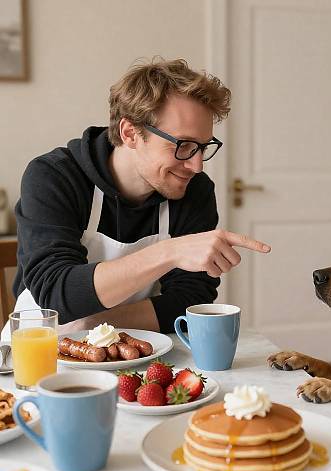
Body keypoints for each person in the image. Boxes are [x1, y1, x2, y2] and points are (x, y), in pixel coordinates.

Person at [1, 58, 270, 339]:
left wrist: (94, 327)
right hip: (39, 358)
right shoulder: (54, 177)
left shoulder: (196, 190)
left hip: (140, 351)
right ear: (130, 133)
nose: (197, 165)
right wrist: (170, 252)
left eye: (203, 147)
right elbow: (56, 294)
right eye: (183, 145)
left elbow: (191, 300)